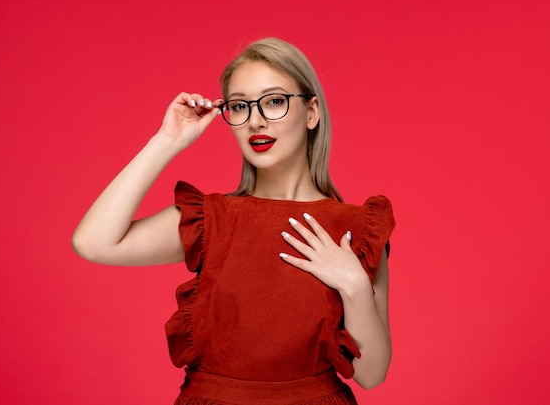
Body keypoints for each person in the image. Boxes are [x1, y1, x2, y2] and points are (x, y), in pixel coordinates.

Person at [72, 38, 395, 405]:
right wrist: (167, 141)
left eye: (274, 101)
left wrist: (352, 283)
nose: (255, 120)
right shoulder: (211, 221)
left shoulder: (357, 228)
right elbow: (94, 242)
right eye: (240, 106)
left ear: (311, 113)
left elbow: (372, 375)